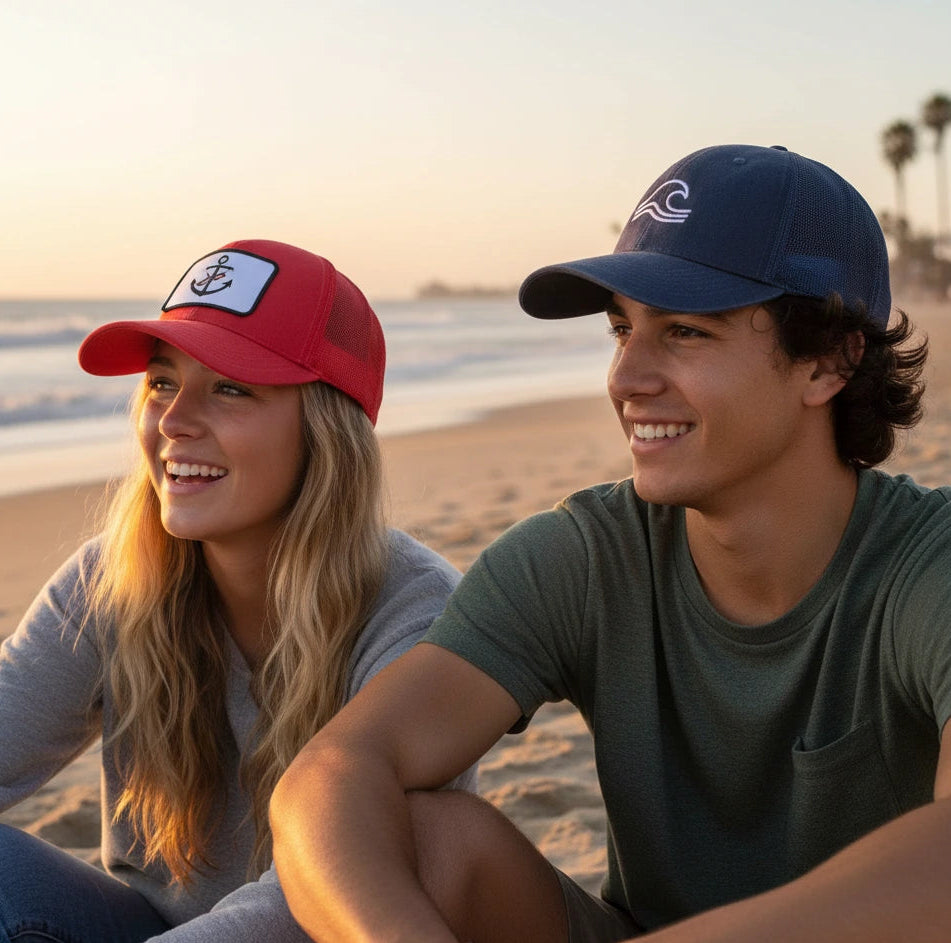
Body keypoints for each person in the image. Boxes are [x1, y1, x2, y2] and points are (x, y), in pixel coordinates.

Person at [269, 144, 951, 943]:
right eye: (622, 329)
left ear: (828, 361)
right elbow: (331, 775)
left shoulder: (924, 563)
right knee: (428, 842)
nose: (626, 377)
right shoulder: (584, 556)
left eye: (685, 333)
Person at [0, 239, 474, 943]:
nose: (175, 420)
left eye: (230, 387)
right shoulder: (112, 578)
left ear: (324, 429)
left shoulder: (416, 612)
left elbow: (328, 893)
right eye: (162, 382)